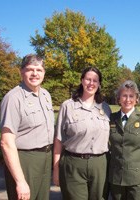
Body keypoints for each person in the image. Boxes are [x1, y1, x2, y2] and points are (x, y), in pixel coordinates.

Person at [0, 54, 55, 200]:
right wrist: (20, 181)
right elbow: (6, 142)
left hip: (45, 158)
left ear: (44, 72)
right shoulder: (13, 98)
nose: (35, 74)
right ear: (22, 72)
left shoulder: (45, 95)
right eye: (30, 69)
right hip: (25, 160)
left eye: (39, 69)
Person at [53, 66, 111, 200]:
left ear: (99, 84)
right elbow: (58, 141)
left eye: (95, 80)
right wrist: (56, 170)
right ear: (82, 81)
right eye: (88, 79)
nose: (91, 83)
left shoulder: (105, 108)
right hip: (73, 165)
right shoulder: (67, 106)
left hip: (100, 165)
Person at [108, 80, 140, 200]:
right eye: (124, 95)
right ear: (118, 98)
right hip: (116, 177)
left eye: (131, 96)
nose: (127, 99)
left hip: (137, 179)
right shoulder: (111, 119)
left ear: (136, 98)